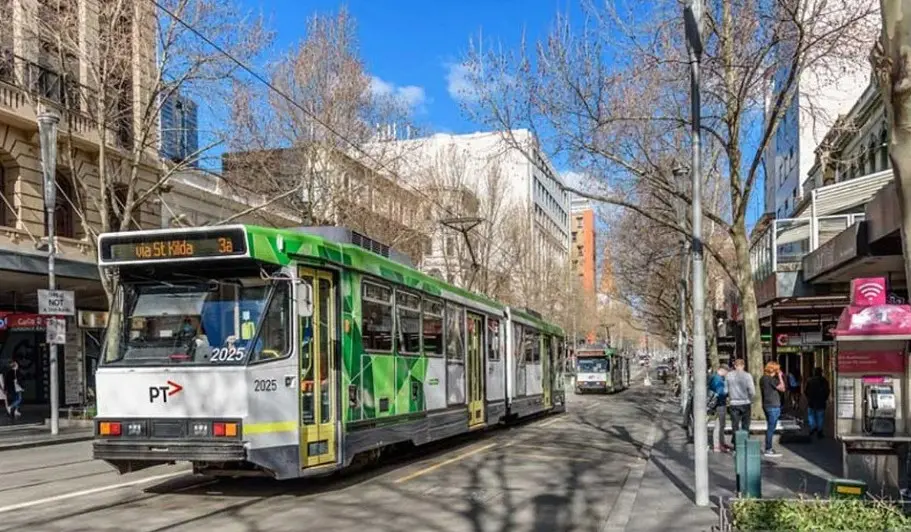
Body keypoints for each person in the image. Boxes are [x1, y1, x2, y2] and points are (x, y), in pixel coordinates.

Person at [725, 358, 755, 449]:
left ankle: (736, 444)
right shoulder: (747, 376)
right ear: (743, 366)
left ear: (735, 366)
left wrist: (729, 397)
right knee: (745, 424)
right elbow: (752, 390)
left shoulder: (729, 375)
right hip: (745, 402)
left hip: (733, 403)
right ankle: (745, 441)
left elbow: (725, 390)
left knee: (735, 424)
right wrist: (750, 398)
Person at [760, 361, 787, 457]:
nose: (778, 371)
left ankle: (769, 447)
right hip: (773, 405)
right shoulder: (771, 379)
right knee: (771, 427)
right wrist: (780, 377)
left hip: (766, 404)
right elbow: (783, 388)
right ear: (774, 369)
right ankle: (768, 448)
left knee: (770, 426)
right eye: (777, 369)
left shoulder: (763, 378)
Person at [708, 366, 729, 453]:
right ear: (722, 371)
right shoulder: (718, 380)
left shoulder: (714, 378)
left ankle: (721, 443)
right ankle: (718, 445)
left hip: (717, 404)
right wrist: (727, 393)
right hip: (720, 404)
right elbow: (721, 392)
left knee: (720, 424)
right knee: (720, 425)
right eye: (726, 372)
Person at [805, 367, 830, 439]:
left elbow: (805, 391)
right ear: (821, 373)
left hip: (811, 401)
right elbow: (827, 391)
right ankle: (820, 431)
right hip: (821, 401)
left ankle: (813, 427)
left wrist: (808, 397)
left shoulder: (809, 380)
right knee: (820, 416)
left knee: (811, 414)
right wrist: (825, 398)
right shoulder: (824, 381)